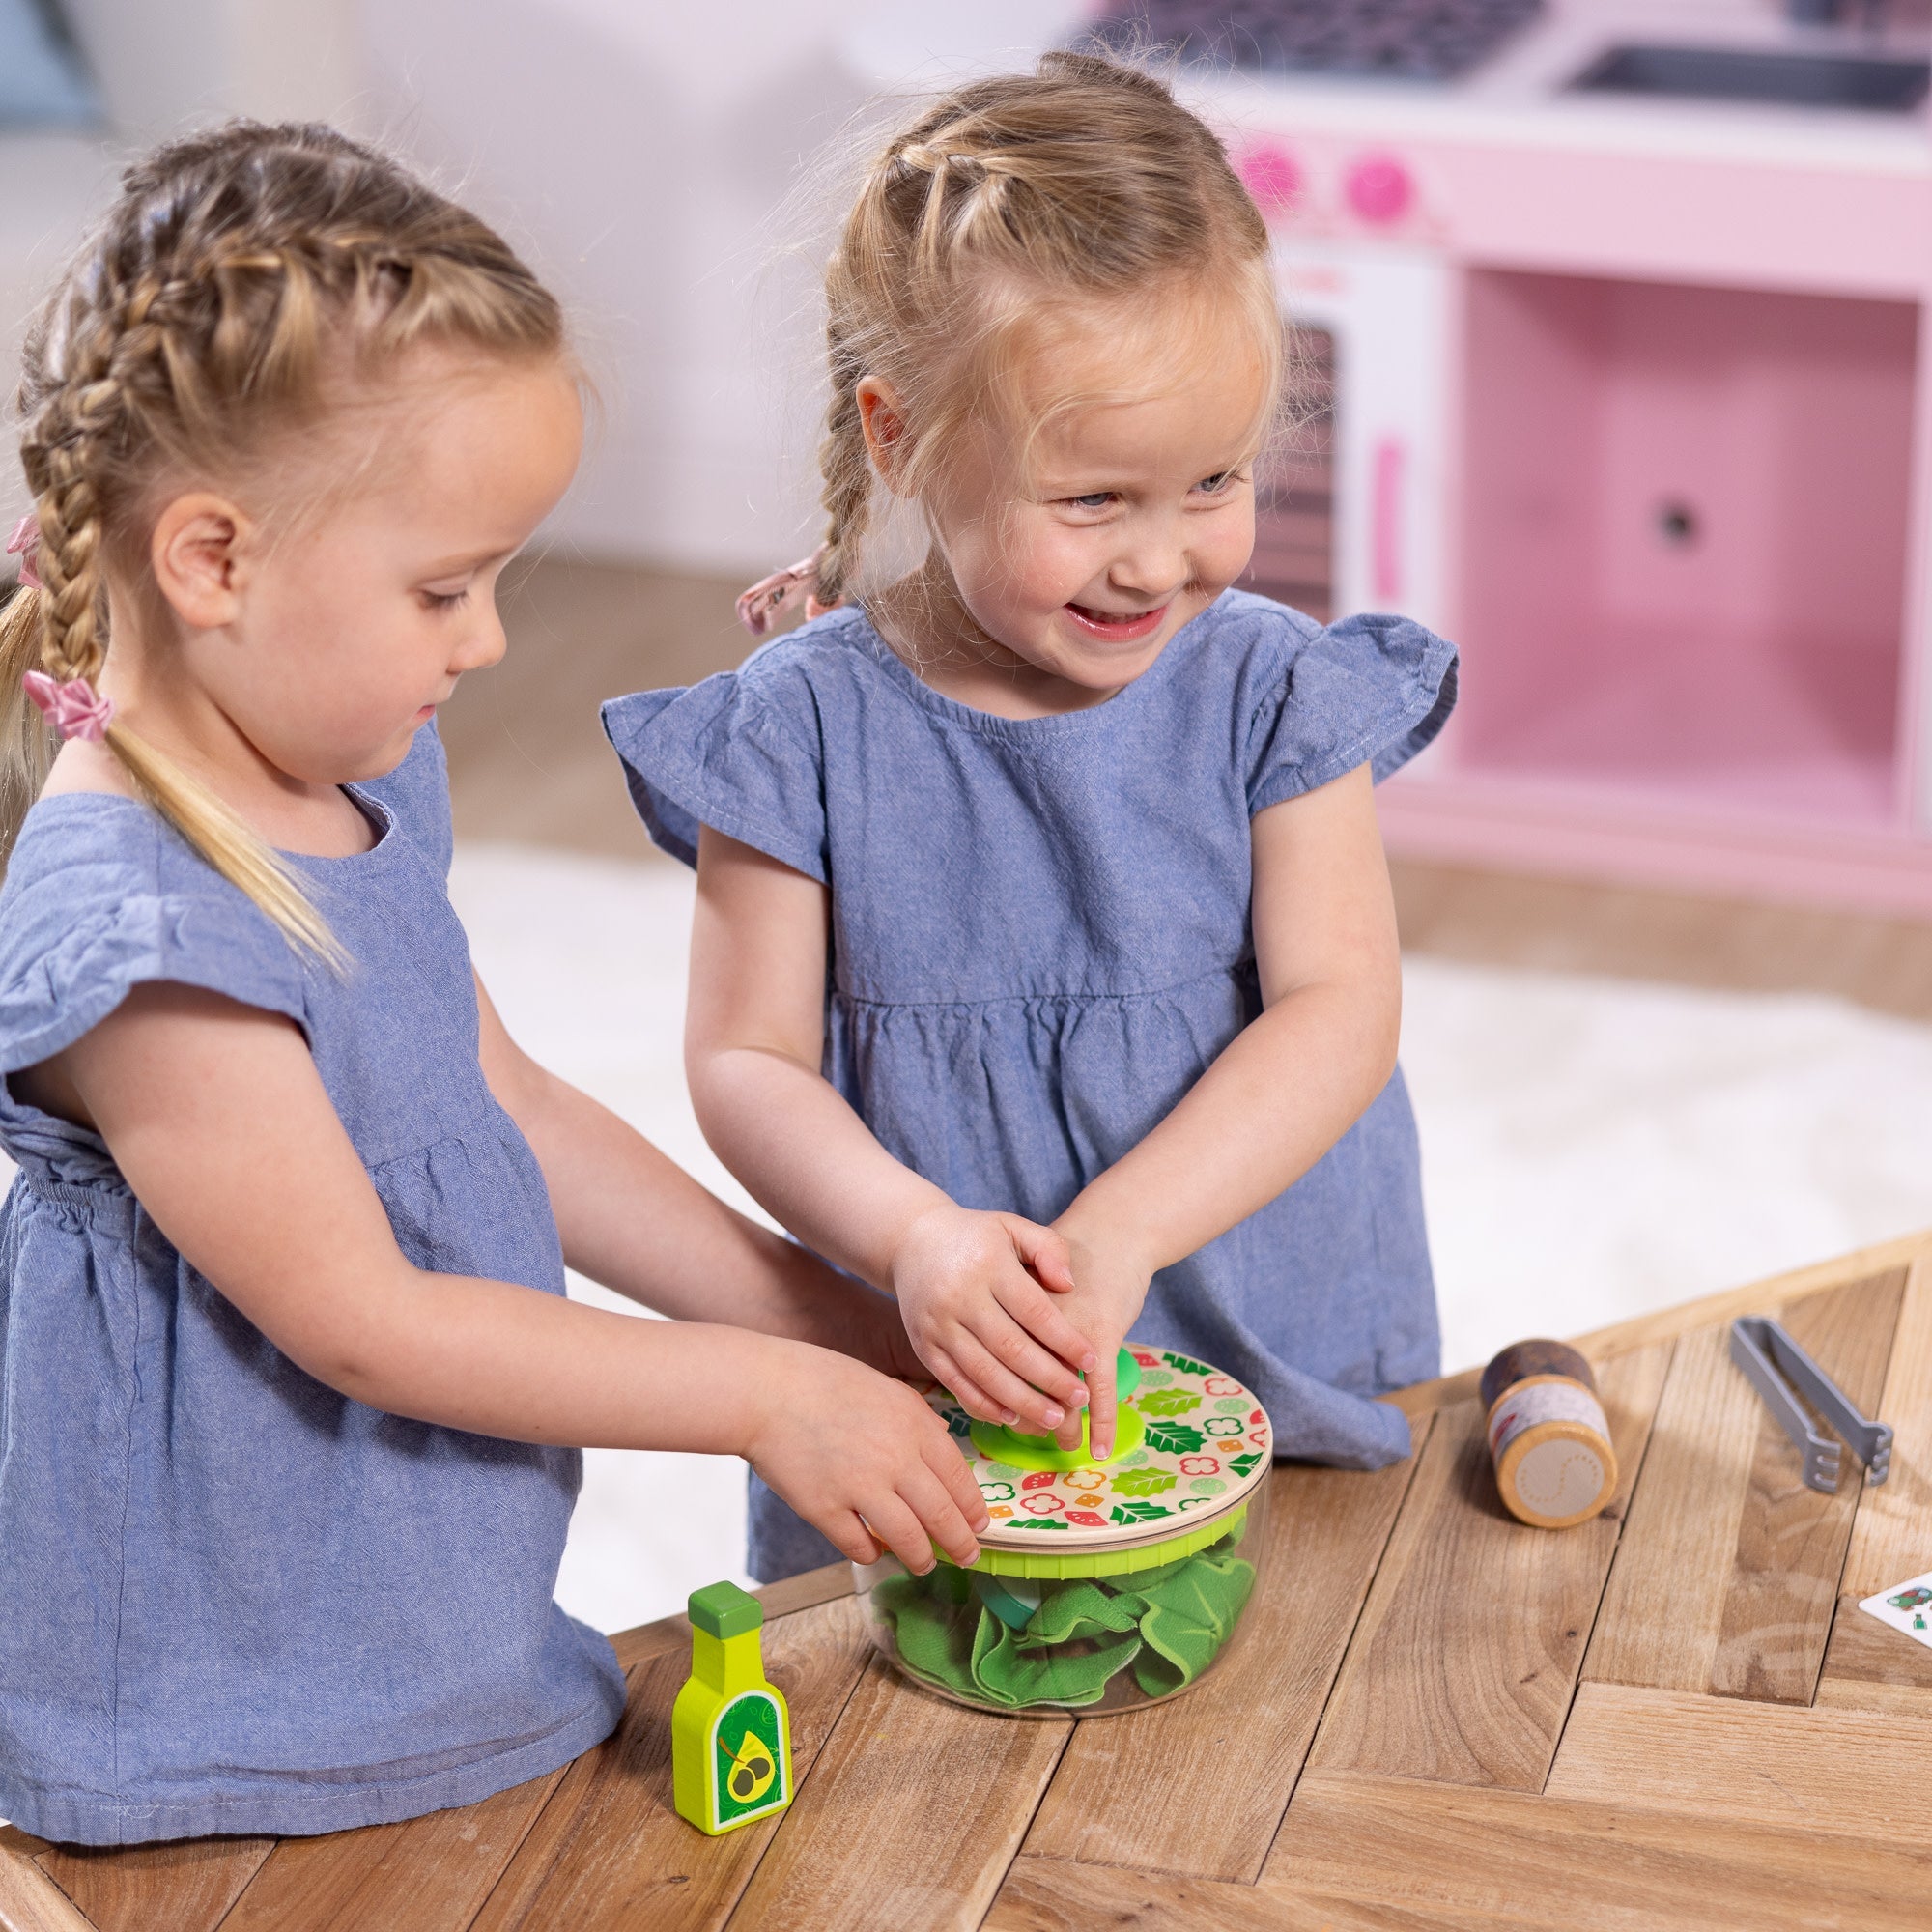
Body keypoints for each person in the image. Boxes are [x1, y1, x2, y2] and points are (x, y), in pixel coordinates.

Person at [0, 122, 984, 1848]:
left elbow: (502, 1107)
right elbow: (365, 1321)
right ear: (212, 561)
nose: (489, 640)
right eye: (444, 587)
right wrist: (757, 1401)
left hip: (407, 1612)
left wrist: (826, 1321)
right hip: (209, 1702)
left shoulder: (349, 766)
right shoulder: (140, 933)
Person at [605, 51, 1459, 1584]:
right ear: (899, 437)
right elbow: (746, 1060)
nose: (1157, 561)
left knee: (1324, 1631)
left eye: (1213, 480)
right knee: (932, 1665)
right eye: (1092, 501)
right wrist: (912, 1240)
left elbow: (1339, 1007)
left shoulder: (1274, 688)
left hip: (1268, 1306)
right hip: (952, 1360)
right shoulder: (799, 727)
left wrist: (1123, 1230)